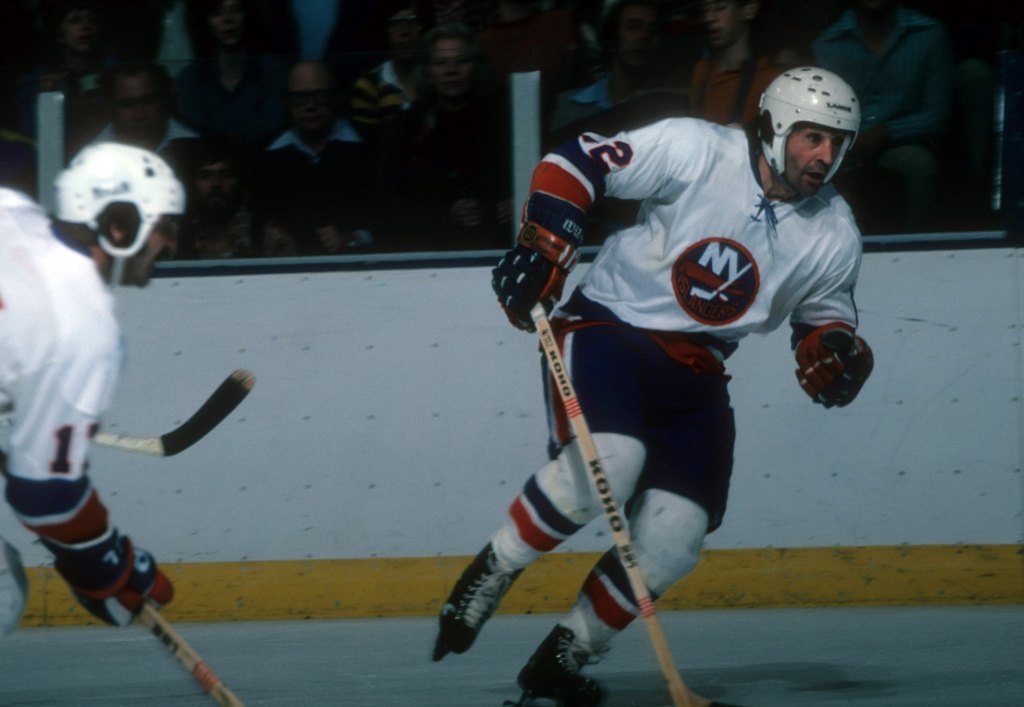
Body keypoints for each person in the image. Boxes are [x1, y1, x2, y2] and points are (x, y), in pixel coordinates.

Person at [432, 67, 875, 706]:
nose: (824, 156)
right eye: (811, 137)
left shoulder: (835, 230)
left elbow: (825, 315)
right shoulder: (698, 148)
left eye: (839, 142)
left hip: (698, 373)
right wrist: (546, 240)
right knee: (610, 464)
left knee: (677, 536)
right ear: (775, 126)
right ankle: (494, 569)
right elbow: (579, 160)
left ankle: (564, 656)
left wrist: (833, 350)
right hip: (611, 329)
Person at [0, 142, 185, 635]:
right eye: (164, 227)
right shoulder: (83, 328)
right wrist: (109, 562)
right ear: (119, 225)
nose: (171, 244)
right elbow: (46, 497)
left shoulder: (12, 211)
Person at [812, 0, 953, 233]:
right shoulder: (827, 43)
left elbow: (936, 114)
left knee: (919, 163)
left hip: (902, 144)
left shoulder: (928, 33)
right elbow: (820, 114)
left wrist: (887, 132)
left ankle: (916, 247)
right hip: (843, 146)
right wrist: (846, 140)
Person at [376, 22, 511, 251]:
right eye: (441, 63)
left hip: (498, 243)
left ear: (476, 66)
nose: (451, 71)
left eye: (461, 61)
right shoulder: (408, 125)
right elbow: (390, 198)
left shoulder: (501, 115)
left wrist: (517, 203)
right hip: (433, 246)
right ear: (428, 70)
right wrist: (445, 213)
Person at [256, 60, 373, 254]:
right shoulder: (269, 156)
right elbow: (261, 223)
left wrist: (351, 239)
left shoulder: (367, 148)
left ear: (336, 98)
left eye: (320, 95)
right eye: (300, 98)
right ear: (287, 103)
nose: (311, 106)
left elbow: (388, 221)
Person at [175, 0, 288, 153]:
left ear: (246, 16)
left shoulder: (273, 70)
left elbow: (272, 131)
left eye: (235, 10)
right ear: (206, 22)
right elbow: (197, 139)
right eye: (217, 13)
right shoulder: (190, 78)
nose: (228, 19)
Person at [548, 0, 668, 137]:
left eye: (653, 30)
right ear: (612, 38)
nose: (645, 36)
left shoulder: (666, 107)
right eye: (634, 27)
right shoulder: (568, 105)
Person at [178, 137, 293, 258]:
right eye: (204, 176)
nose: (216, 183)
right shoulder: (178, 236)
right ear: (192, 184)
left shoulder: (269, 235)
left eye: (225, 175)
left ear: (239, 181)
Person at [90, 62, 202, 183]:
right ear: (110, 107)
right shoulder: (90, 159)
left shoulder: (197, 148)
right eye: (127, 104)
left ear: (164, 100)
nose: (140, 114)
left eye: (148, 101)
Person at [347, 0, 428, 144]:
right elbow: (368, 148)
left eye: (412, 22)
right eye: (395, 24)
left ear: (422, 27)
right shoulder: (368, 85)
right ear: (384, 31)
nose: (404, 32)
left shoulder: (437, 75)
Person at [689, 0, 780, 127]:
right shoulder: (702, 71)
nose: (709, 18)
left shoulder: (770, 78)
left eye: (720, 8)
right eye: (705, 10)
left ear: (749, 10)